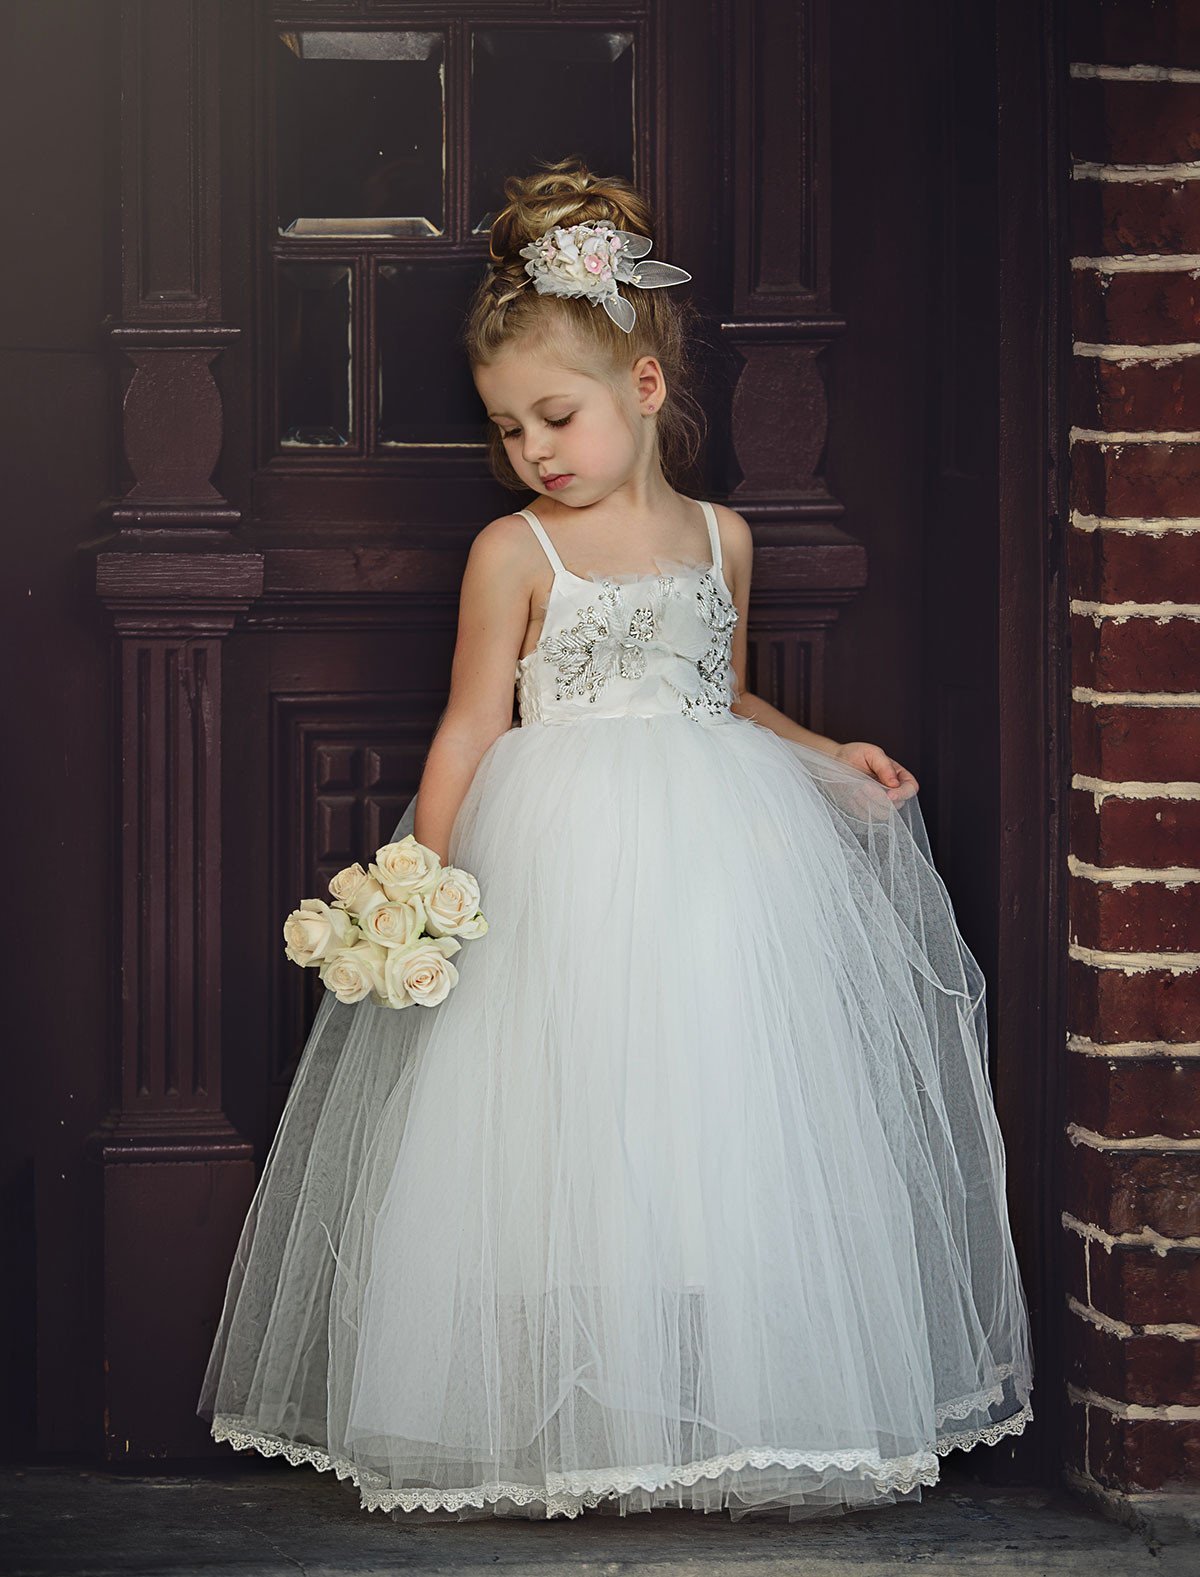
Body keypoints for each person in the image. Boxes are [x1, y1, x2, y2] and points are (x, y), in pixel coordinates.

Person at [197, 157, 1033, 1524]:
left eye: (556, 415)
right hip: (559, 866)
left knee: (707, 1125)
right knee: (551, 1131)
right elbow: (470, 727)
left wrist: (830, 758)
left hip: (714, 868)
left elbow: (724, 695)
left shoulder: (726, 538)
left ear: (644, 389)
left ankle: (712, 1412)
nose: (534, 447)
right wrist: (429, 881)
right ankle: (558, 1424)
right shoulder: (515, 552)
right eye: (510, 426)